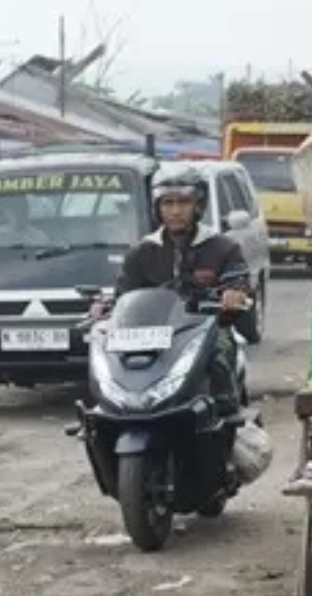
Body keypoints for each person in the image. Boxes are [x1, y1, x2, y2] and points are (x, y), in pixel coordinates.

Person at [100, 164, 252, 412]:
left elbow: (239, 279)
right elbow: (123, 295)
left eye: (183, 203)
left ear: (198, 205)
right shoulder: (142, 252)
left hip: (203, 331)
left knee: (221, 353)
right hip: (150, 338)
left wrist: (234, 292)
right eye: (167, 203)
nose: (175, 211)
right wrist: (106, 308)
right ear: (157, 208)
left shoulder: (222, 247)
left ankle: (226, 419)